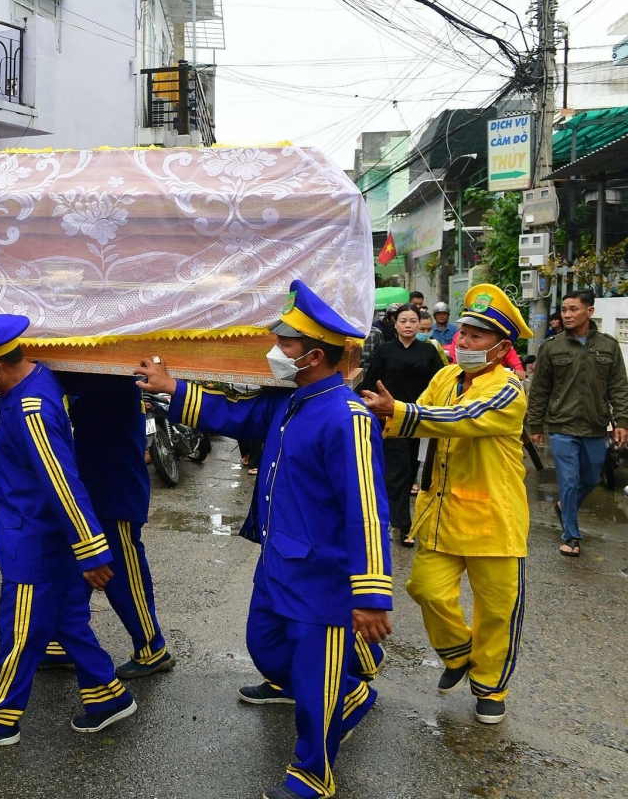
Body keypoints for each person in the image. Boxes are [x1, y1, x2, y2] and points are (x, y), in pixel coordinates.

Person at [136, 281, 392, 799]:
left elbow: (368, 511)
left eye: (288, 346)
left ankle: (312, 775)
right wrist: (171, 386)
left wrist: (370, 596)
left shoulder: (347, 416)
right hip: (279, 562)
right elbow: (234, 415)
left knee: (313, 681)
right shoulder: (291, 400)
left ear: (314, 355)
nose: (276, 352)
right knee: (267, 649)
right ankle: (347, 696)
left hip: (322, 576)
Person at [0, 314, 136, 750]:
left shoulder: (30, 408)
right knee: (68, 623)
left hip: (35, 542)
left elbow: (63, 484)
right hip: (42, 537)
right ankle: (108, 698)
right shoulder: (28, 384)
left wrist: (93, 554)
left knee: (19, 632)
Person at [362, 283, 531, 725]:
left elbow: (460, 420)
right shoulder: (446, 377)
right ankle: (458, 653)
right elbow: (417, 420)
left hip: (495, 521)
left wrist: (399, 411)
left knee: (496, 611)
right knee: (424, 588)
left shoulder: (507, 388)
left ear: (501, 346)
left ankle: (490, 687)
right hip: (442, 516)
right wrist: (374, 417)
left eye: (477, 337)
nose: (465, 343)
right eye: (464, 334)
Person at [56, 372, 172, 679]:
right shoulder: (97, 378)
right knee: (76, 566)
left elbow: (75, 384)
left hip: (115, 492)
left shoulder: (113, 377)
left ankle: (152, 648)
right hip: (94, 489)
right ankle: (61, 641)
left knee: (123, 575)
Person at [527, 289, 628, 557]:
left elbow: (619, 386)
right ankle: (571, 534)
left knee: (591, 477)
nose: (567, 315)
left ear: (589, 311)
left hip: (596, 425)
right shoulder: (552, 347)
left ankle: (563, 506)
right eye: (564, 309)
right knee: (569, 481)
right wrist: (534, 425)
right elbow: (539, 389)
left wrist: (622, 421)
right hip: (562, 425)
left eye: (573, 309)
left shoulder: (608, 346)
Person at [362, 304, 444, 546]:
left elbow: (440, 382)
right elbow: (370, 381)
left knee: (411, 470)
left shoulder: (428, 351)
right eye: (403, 321)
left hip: (419, 420)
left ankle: (393, 518)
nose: (408, 325)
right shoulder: (385, 351)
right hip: (391, 420)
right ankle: (402, 526)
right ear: (395, 324)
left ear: (419, 324)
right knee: (396, 472)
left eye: (412, 321)